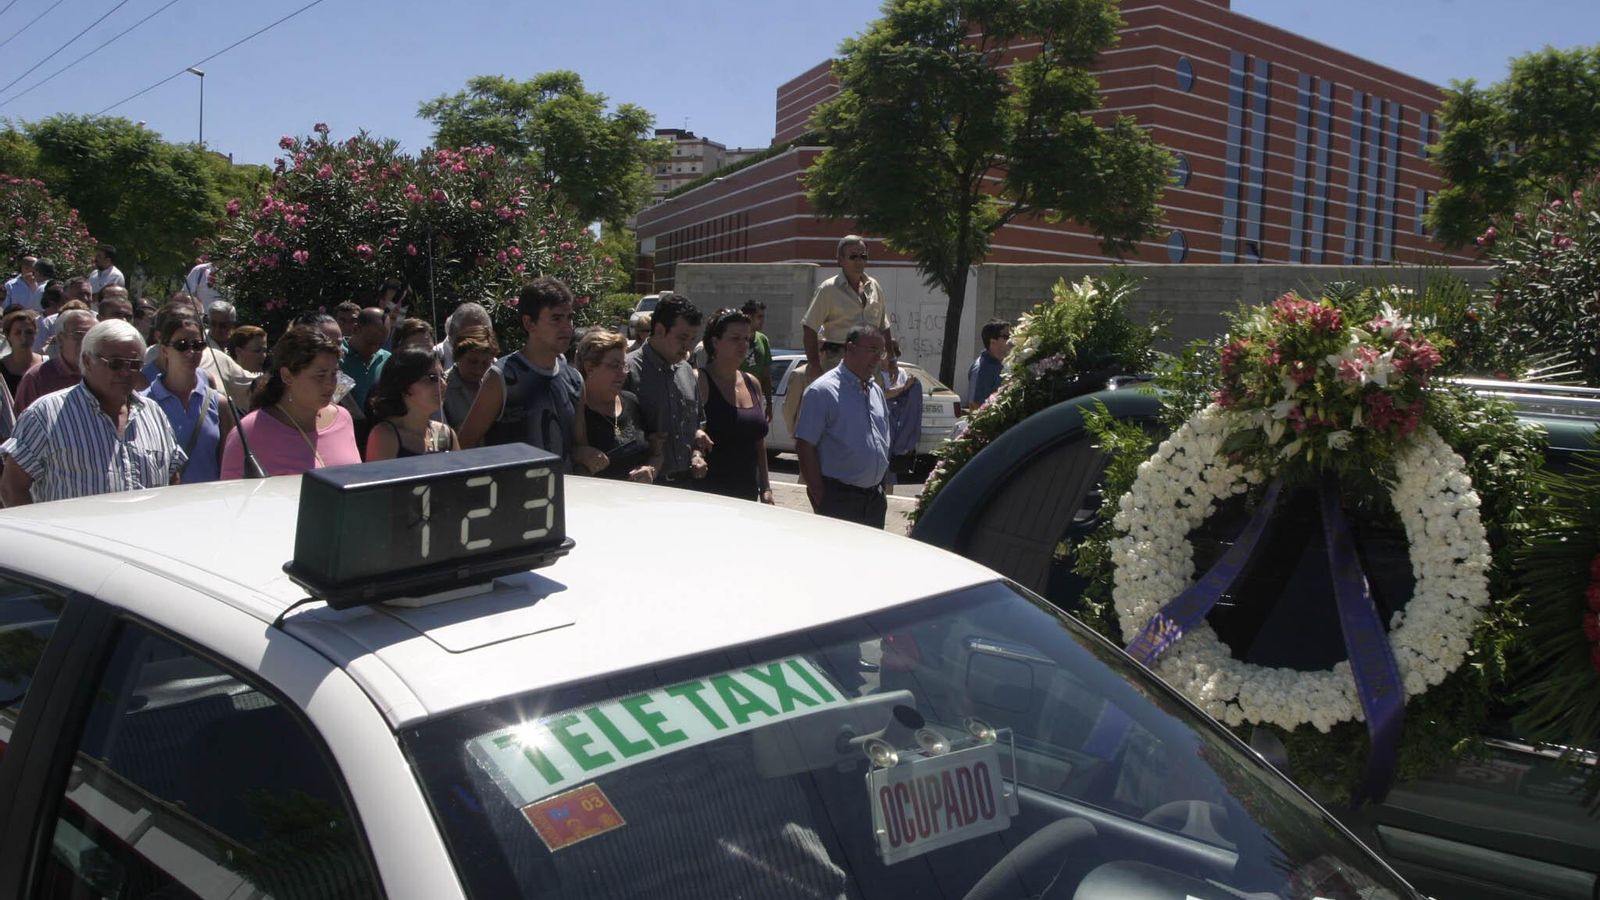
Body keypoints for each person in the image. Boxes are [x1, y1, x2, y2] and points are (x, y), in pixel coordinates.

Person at [1, 318, 186, 505]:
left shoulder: (153, 413)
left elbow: (172, 478)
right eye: (115, 363)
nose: (125, 372)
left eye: (134, 365)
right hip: (71, 533)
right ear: (88, 361)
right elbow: (12, 487)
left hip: (142, 532)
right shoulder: (45, 415)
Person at [458, 278, 584, 467]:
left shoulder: (574, 380)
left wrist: (587, 454)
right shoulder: (501, 377)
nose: (567, 327)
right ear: (529, 323)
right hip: (512, 493)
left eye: (569, 318)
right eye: (556, 318)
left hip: (564, 493)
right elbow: (463, 445)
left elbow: (579, 445)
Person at [222, 326, 360, 478]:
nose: (330, 384)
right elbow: (232, 497)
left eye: (333, 373)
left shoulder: (343, 418)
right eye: (320, 376)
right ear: (287, 376)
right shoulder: (249, 432)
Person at [786, 235, 892, 433]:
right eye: (853, 256)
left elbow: (883, 325)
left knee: (870, 415)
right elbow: (809, 327)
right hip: (838, 360)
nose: (859, 261)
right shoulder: (828, 289)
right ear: (840, 259)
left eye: (863, 256)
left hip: (872, 364)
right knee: (839, 417)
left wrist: (891, 359)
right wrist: (815, 365)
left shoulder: (874, 287)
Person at [795, 325, 892, 528]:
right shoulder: (822, 391)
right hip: (839, 498)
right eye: (872, 350)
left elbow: (881, 440)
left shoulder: (876, 391)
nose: (877, 358)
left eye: (881, 352)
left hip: (874, 500)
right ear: (851, 348)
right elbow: (805, 446)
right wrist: (821, 495)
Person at [141, 311, 234, 484]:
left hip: (210, 504)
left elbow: (229, 466)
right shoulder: (143, 404)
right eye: (182, 345)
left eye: (198, 345)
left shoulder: (219, 403)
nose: (191, 352)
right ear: (164, 350)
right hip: (163, 505)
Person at [625, 293, 707, 485]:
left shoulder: (687, 370)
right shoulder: (626, 370)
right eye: (682, 337)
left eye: (693, 338)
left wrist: (697, 454)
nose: (688, 346)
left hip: (687, 486)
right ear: (660, 330)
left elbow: (698, 424)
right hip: (643, 488)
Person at [696, 308, 772, 503]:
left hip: (746, 494)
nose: (743, 345)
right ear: (715, 342)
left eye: (746, 339)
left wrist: (766, 487)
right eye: (735, 338)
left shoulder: (752, 383)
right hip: (708, 493)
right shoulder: (700, 380)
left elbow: (759, 443)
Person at [571, 329, 660, 482]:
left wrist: (651, 469)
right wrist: (577, 453)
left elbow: (657, 451)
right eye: (614, 366)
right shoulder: (575, 412)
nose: (622, 373)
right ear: (590, 367)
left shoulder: (632, 401)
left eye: (624, 366)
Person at [365, 348, 458, 460]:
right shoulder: (385, 436)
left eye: (443, 377)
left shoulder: (447, 434)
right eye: (432, 378)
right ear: (404, 385)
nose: (442, 384)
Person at [14, 307, 93, 412]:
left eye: (92, 335)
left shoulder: (106, 373)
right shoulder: (37, 378)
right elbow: (22, 422)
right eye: (79, 335)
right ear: (60, 339)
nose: (86, 341)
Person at [880, 340, 924, 479]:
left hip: (899, 423)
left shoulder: (901, 373)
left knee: (892, 470)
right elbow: (883, 394)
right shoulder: (876, 373)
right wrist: (903, 388)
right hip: (884, 421)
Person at [442, 324, 497, 428]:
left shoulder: (494, 384)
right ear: (458, 356)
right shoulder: (442, 388)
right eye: (472, 361)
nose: (478, 369)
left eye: (485, 363)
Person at [340, 306, 390, 409]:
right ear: (356, 329)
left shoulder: (388, 360)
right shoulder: (335, 356)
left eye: (381, 344)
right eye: (371, 343)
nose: (375, 349)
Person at [740, 299, 775, 421]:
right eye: (759, 317)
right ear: (748, 317)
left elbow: (766, 375)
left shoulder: (763, 340)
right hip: (736, 398)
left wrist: (769, 404)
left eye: (763, 317)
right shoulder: (736, 339)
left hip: (756, 398)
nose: (762, 321)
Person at [967, 318, 1012, 407]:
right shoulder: (980, 369)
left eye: (1012, 335)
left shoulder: (1006, 362)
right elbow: (974, 405)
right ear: (993, 342)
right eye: (1006, 337)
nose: (1011, 340)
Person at [435, 302, 491, 368]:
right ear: (452, 331)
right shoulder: (434, 358)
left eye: (481, 336)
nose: (475, 342)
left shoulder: (494, 366)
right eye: (470, 335)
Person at [1, 309, 41, 399]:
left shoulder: (45, 364)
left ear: (36, 334)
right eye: (18, 333)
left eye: (29, 332)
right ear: (8, 336)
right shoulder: (1, 368)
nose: (24, 338)